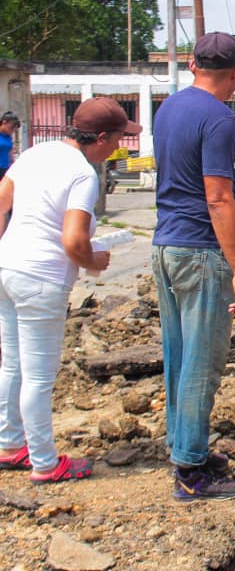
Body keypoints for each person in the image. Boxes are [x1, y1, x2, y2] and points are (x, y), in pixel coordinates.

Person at [0, 97, 140, 483]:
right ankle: (45, 463)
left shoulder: (35, 154)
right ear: (101, 138)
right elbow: (74, 241)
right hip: (41, 279)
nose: (118, 146)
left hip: (8, 267)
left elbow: (1, 201)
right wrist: (93, 260)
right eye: (118, 139)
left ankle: (10, 444)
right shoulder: (82, 174)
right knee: (38, 376)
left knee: (12, 364)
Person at [152, 31, 235, 502]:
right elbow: (218, 197)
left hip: (166, 246)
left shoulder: (169, 108)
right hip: (199, 251)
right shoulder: (218, 118)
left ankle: (183, 446)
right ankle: (191, 473)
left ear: (193, 65)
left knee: (179, 354)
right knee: (202, 362)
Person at [0, 112, 20, 181]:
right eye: (11, 127)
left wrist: (13, 164)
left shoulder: (8, 136)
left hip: (6, 169)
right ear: (4, 122)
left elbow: (10, 151)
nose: (12, 130)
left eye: (14, 129)